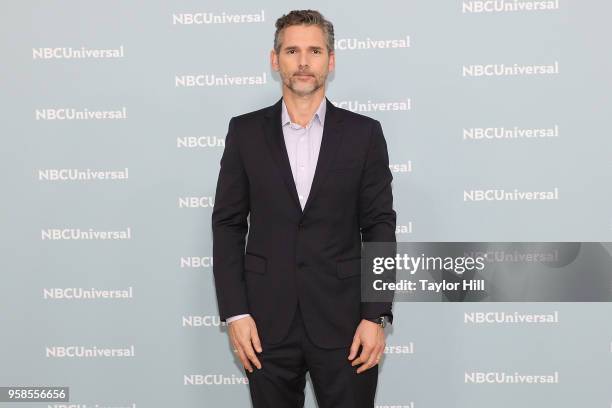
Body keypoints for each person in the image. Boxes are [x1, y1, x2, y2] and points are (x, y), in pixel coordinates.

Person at [211, 9, 396, 408]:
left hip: (347, 324)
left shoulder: (364, 134)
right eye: (292, 50)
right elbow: (227, 224)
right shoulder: (244, 132)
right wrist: (236, 314)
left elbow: (380, 226)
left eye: (315, 50)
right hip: (264, 324)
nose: (303, 61)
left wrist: (375, 315)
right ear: (274, 59)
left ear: (331, 60)